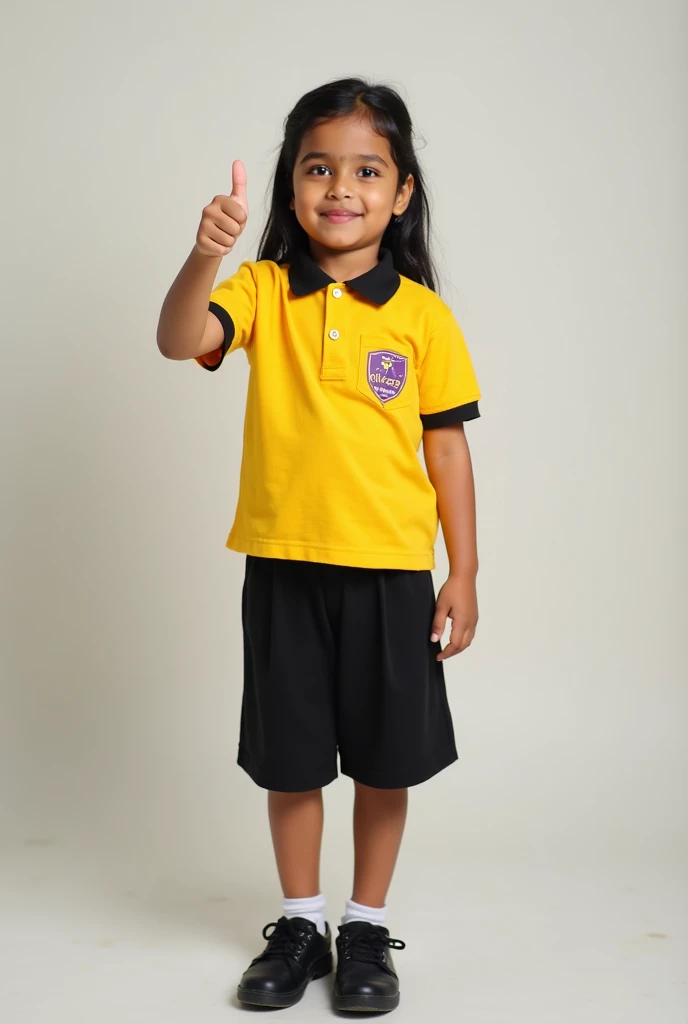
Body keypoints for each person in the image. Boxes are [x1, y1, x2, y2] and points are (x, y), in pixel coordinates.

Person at [157, 77, 482, 1014]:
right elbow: (180, 339)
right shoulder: (261, 290)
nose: (340, 188)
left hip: (391, 575)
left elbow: (448, 449)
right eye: (317, 168)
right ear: (291, 187)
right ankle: (301, 923)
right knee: (292, 758)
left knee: (384, 760)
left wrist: (464, 570)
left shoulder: (423, 317)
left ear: (403, 192)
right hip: (284, 567)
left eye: (366, 170)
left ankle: (366, 925)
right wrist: (201, 255)